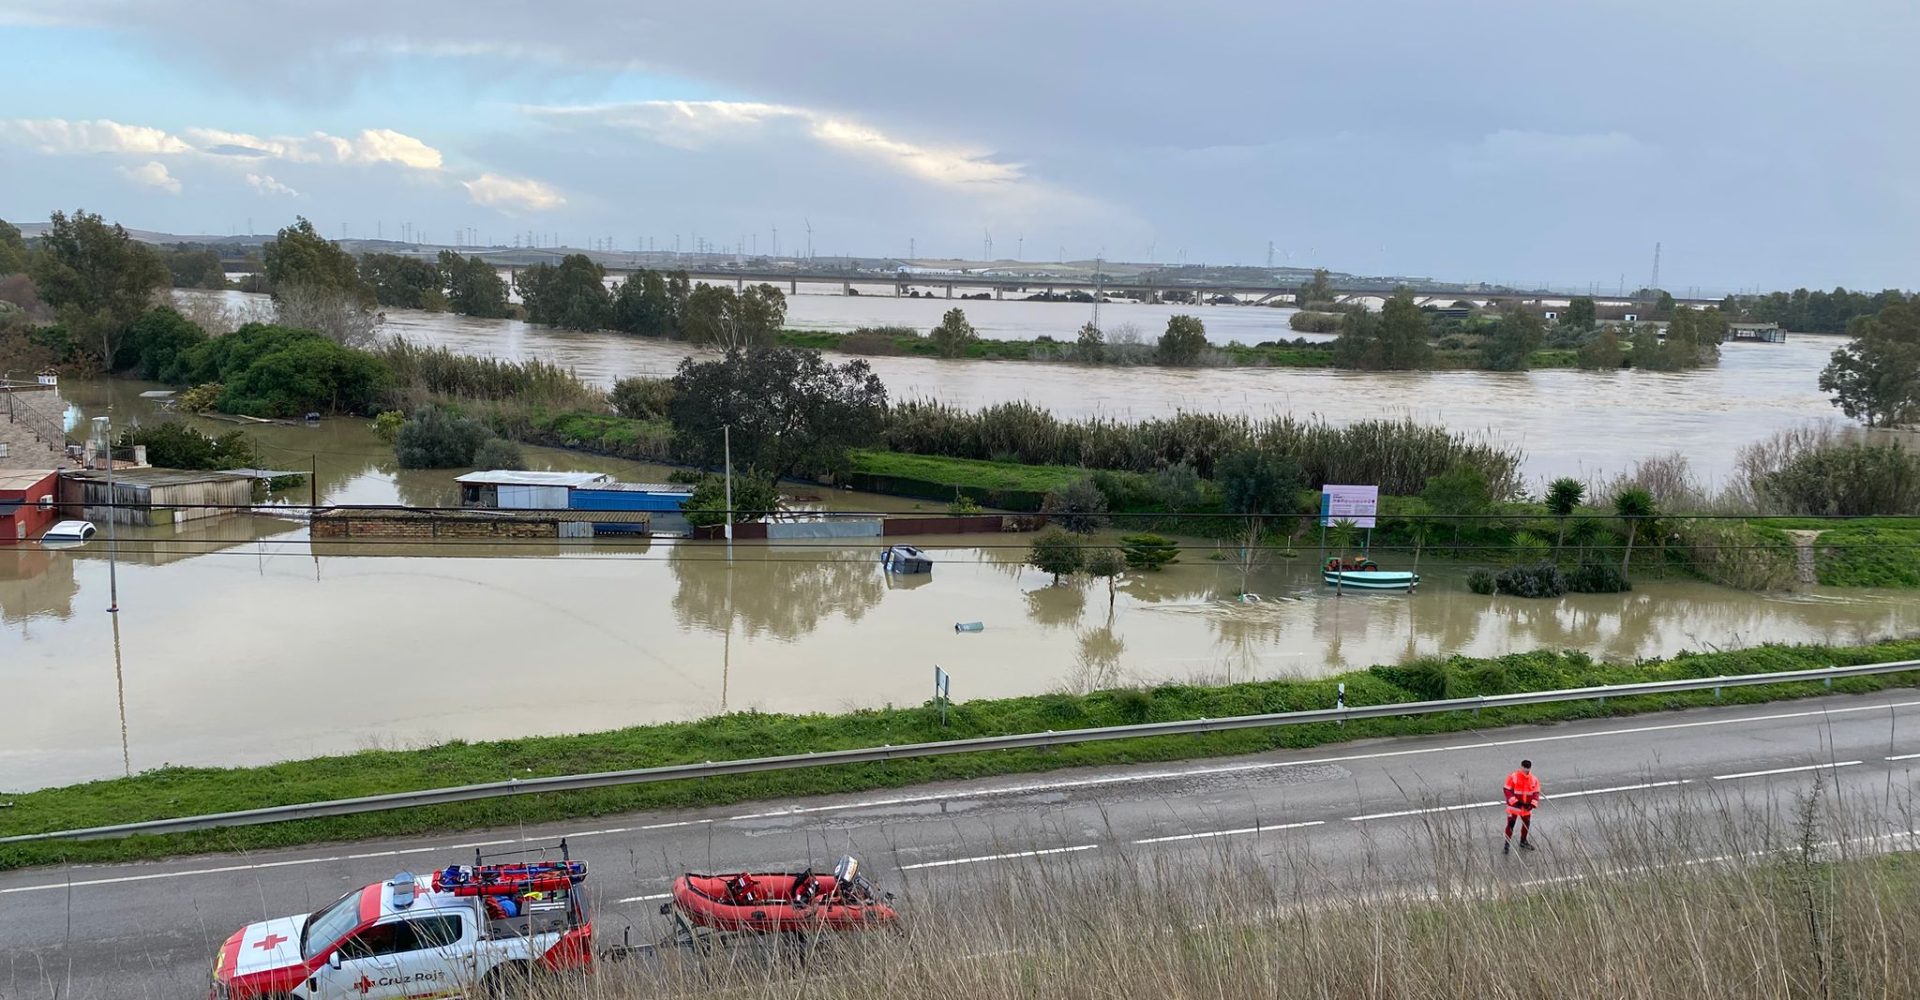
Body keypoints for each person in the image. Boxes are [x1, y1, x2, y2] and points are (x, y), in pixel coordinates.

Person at [1503, 759, 1542, 853]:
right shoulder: (1513, 777)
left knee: (1526, 824)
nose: (1526, 770)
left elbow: (1536, 793)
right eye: (1524, 768)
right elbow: (1507, 790)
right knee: (1510, 825)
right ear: (1521, 767)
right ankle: (1506, 845)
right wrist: (1515, 801)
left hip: (1526, 807)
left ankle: (1523, 841)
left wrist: (1532, 804)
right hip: (1514, 807)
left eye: (1527, 768)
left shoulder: (1533, 779)